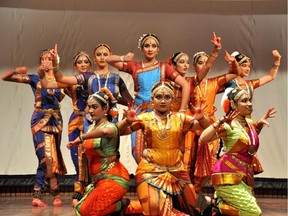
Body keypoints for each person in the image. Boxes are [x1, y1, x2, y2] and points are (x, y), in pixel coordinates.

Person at [117, 81, 211, 215]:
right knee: (155, 210)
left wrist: (202, 119)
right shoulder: (144, 118)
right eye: (158, 97)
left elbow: (207, 128)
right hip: (150, 171)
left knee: (199, 209)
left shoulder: (180, 118)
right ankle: (130, 206)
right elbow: (118, 132)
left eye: (167, 97)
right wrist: (126, 121)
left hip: (177, 171)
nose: (163, 101)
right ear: (152, 99)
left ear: (172, 100)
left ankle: (211, 202)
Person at [106, 33, 190, 163]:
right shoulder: (135, 66)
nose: (150, 49)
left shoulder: (164, 67)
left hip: (159, 114)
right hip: (139, 113)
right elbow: (109, 60)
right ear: (142, 48)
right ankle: (145, 178)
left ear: (158, 49)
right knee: (138, 152)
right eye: (147, 46)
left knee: (159, 148)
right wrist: (124, 57)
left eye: (153, 46)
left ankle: (156, 178)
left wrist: (183, 110)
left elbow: (185, 85)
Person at [1, 50, 67, 207]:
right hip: (39, 120)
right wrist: (17, 70)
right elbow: (5, 77)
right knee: (45, 157)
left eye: (49, 59)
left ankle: (55, 194)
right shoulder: (35, 78)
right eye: (43, 58)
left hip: (56, 121)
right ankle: (38, 195)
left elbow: (73, 93)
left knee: (54, 159)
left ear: (55, 62)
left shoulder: (60, 80)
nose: (45, 61)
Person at [199, 88, 276, 215]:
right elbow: (203, 138)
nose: (249, 104)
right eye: (244, 101)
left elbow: (248, 141)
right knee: (253, 212)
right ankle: (216, 204)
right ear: (234, 105)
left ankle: (214, 205)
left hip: (244, 176)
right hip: (228, 176)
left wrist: (260, 125)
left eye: (249, 100)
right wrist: (219, 122)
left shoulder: (249, 123)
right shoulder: (229, 125)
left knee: (244, 211)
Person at [40, 51, 93, 206]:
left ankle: (91, 190)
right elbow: (48, 85)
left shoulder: (96, 79)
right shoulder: (71, 82)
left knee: (91, 156)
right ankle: (78, 190)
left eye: (85, 62)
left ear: (90, 65)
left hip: (93, 122)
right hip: (75, 121)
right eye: (79, 62)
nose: (83, 64)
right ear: (75, 66)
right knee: (76, 157)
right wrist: (45, 70)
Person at [67, 88, 130, 216]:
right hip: (98, 181)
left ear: (105, 108)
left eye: (94, 107)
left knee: (90, 212)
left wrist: (82, 137)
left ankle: (122, 204)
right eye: (89, 107)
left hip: (114, 178)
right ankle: (120, 207)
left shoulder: (110, 127)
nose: (90, 111)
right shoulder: (91, 128)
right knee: (81, 209)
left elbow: (105, 132)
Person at [190, 49, 241, 194]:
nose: (204, 66)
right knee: (189, 160)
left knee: (207, 160)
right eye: (200, 63)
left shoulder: (214, 82)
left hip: (209, 124)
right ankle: (189, 195)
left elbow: (235, 73)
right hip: (191, 124)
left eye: (206, 63)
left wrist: (233, 62)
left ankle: (196, 192)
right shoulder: (190, 82)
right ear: (194, 66)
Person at [45, 43, 133, 126]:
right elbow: (61, 79)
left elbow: (131, 102)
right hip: (92, 121)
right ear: (94, 58)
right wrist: (55, 64)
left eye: (105, 55)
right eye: (99, 55)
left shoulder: (116, 78)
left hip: (112, 120)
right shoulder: (88, 77)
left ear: (111, 56)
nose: (102, 57)